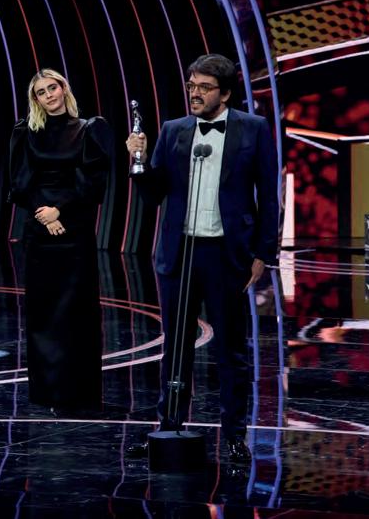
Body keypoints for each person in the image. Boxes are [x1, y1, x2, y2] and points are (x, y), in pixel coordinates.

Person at [125, 53, 280, 463]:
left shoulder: (253, 129)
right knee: (176, 348)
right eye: (191, 85)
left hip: (227, 255)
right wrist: (138, 161)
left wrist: (263, 254)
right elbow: (153, 195)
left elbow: (269, 195)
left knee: (231, 351)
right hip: (179, 253)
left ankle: (234, 436)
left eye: (204, 87)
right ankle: (168, 427)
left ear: (224, 94)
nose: (194, 93)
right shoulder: (173, 130)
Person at [8, 69, 112, 413]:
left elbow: (93, 182)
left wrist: (60, 210)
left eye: (52, 88)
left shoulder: (88, 130)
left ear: (64, 88)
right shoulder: (26, 133)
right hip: (40, 232)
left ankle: (79, 394)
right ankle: (48, 392)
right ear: (35, 100)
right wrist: (45, 213)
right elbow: (20, 183)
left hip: (75, 230)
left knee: (77, 314)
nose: (49, 95)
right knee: (44, 314)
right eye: (41, 92)